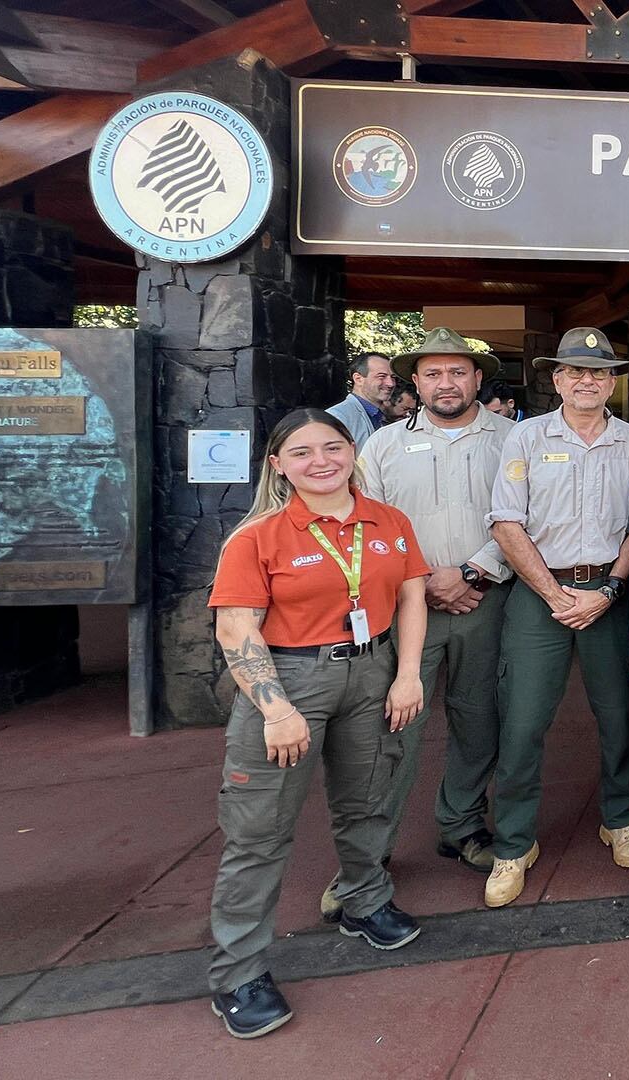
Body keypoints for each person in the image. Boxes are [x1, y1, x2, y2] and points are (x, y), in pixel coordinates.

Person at [205, 409, 428, 1039]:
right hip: (288, 680)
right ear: (278, 464)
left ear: (353, 451)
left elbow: (411, 595)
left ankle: (364, 900)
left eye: (332, 447)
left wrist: (407, 674)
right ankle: (239, 974)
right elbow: (236, 627)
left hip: (374, 670)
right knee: (259, 831)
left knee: (367, 799)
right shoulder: (257, 538)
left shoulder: (388, 521)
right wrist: (274, 709)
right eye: (301, 453)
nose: (321, 461)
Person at [484, 327, 629, 907]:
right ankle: (513, 843)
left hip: (609, 593)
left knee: (618, 715)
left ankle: (621, 818)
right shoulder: (526, 438)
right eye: (576, 372)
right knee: (523, 722)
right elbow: (507, 523)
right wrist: (555, 594)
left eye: (600, 372)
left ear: (613, 382)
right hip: (540, 595)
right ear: (556, 379)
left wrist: (608, 590)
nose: (588, 381)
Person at [349, 327, 515, 905]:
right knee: (393, 727)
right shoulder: (383, 447)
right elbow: (365, 526)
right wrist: (422, 582)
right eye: (434, 373)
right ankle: (369, 855)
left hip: (485, 599)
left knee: (479, 718)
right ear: (414, 382)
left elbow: (528, 518)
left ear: (476, 378)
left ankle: (463, 826)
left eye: (459, 372)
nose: (447, 383)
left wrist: (470, 573)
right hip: (405, 606)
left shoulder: (512, 440)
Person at [325, 351, 396, 446]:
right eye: (381, 376)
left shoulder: (378, 416)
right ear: (358, 379)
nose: (390, 383)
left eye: (393, 377)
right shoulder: (337, 417)